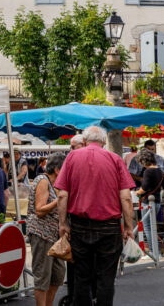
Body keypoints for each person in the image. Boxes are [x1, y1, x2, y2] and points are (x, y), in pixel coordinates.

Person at [55, 126, 135, 306]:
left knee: (81, 276)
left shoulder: (72, 157)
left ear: (84, 141)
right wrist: (129, 227)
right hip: (109, 227)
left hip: (79, 226)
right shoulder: (115, 159)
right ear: (104, 142)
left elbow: (62, 195)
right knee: (106, 278)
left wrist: (63, 223)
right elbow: (126, 197)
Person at [27, 152, 67, 306]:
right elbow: (39, 209)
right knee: (42, 276)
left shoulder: (56, 184)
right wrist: (59, 200)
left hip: (54, 235)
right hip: (41, 233)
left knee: (58, 275)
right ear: (57, 169)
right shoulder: (42, 180)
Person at [135, 149, 164, 253]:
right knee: (153, 227)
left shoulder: (148, 171)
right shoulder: (160, 171)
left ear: (144, 161)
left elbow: (144, 188)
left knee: (147, 227)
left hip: (147, 203)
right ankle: (156, 252)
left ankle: (153, 252)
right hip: (157, 202)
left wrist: (137, 192)